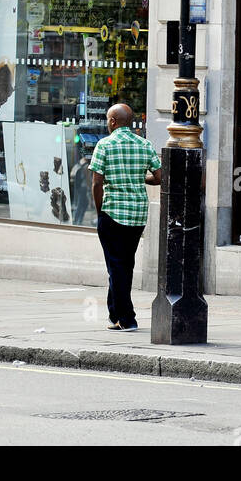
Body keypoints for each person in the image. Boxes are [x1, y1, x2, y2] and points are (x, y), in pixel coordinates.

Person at [89, 103, 161, 331]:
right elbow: (159, 176)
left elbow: (97, 183)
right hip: (138, 214)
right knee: (123, 264)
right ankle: (114, 315)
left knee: (116, 266)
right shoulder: (144, 144)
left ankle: (127, 318)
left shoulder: (105, 145)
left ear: (113, 121)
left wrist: (99, 210)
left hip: (113, 212)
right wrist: (140, 180)